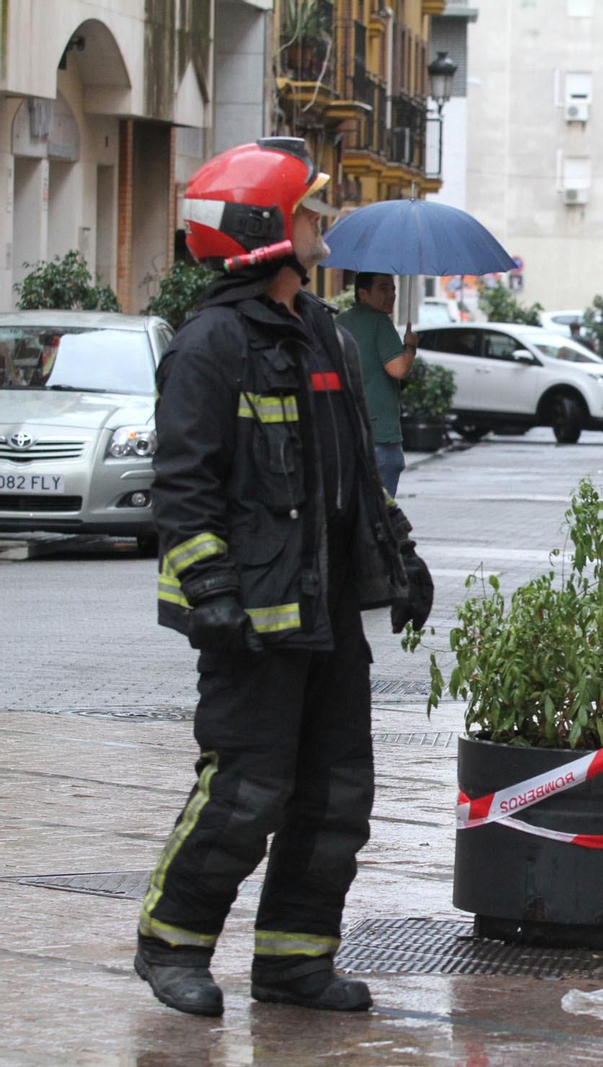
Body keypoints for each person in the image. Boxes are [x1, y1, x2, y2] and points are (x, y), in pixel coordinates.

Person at [135, 137, 434, 1018]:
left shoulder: (324, 330)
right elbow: (182, 493)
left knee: (337, 795)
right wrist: (213, 593)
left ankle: (295, 961)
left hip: (327, 612)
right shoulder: (210, 346)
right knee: (245, 791)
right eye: (309, 210)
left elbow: (353, 476)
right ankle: (171, 944)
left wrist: (402, 559)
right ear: (263, 227)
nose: (322, 223)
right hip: (253, 618)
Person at [336, 272, 416, 497]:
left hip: (347, 430)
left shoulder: (339, 322)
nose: (391, 295)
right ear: (363, 293)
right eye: (383, 288)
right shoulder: (380, 322)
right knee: (382, 512)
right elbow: (398, 369)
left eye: (393, 289)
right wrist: (410, 347)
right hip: (380, 434)